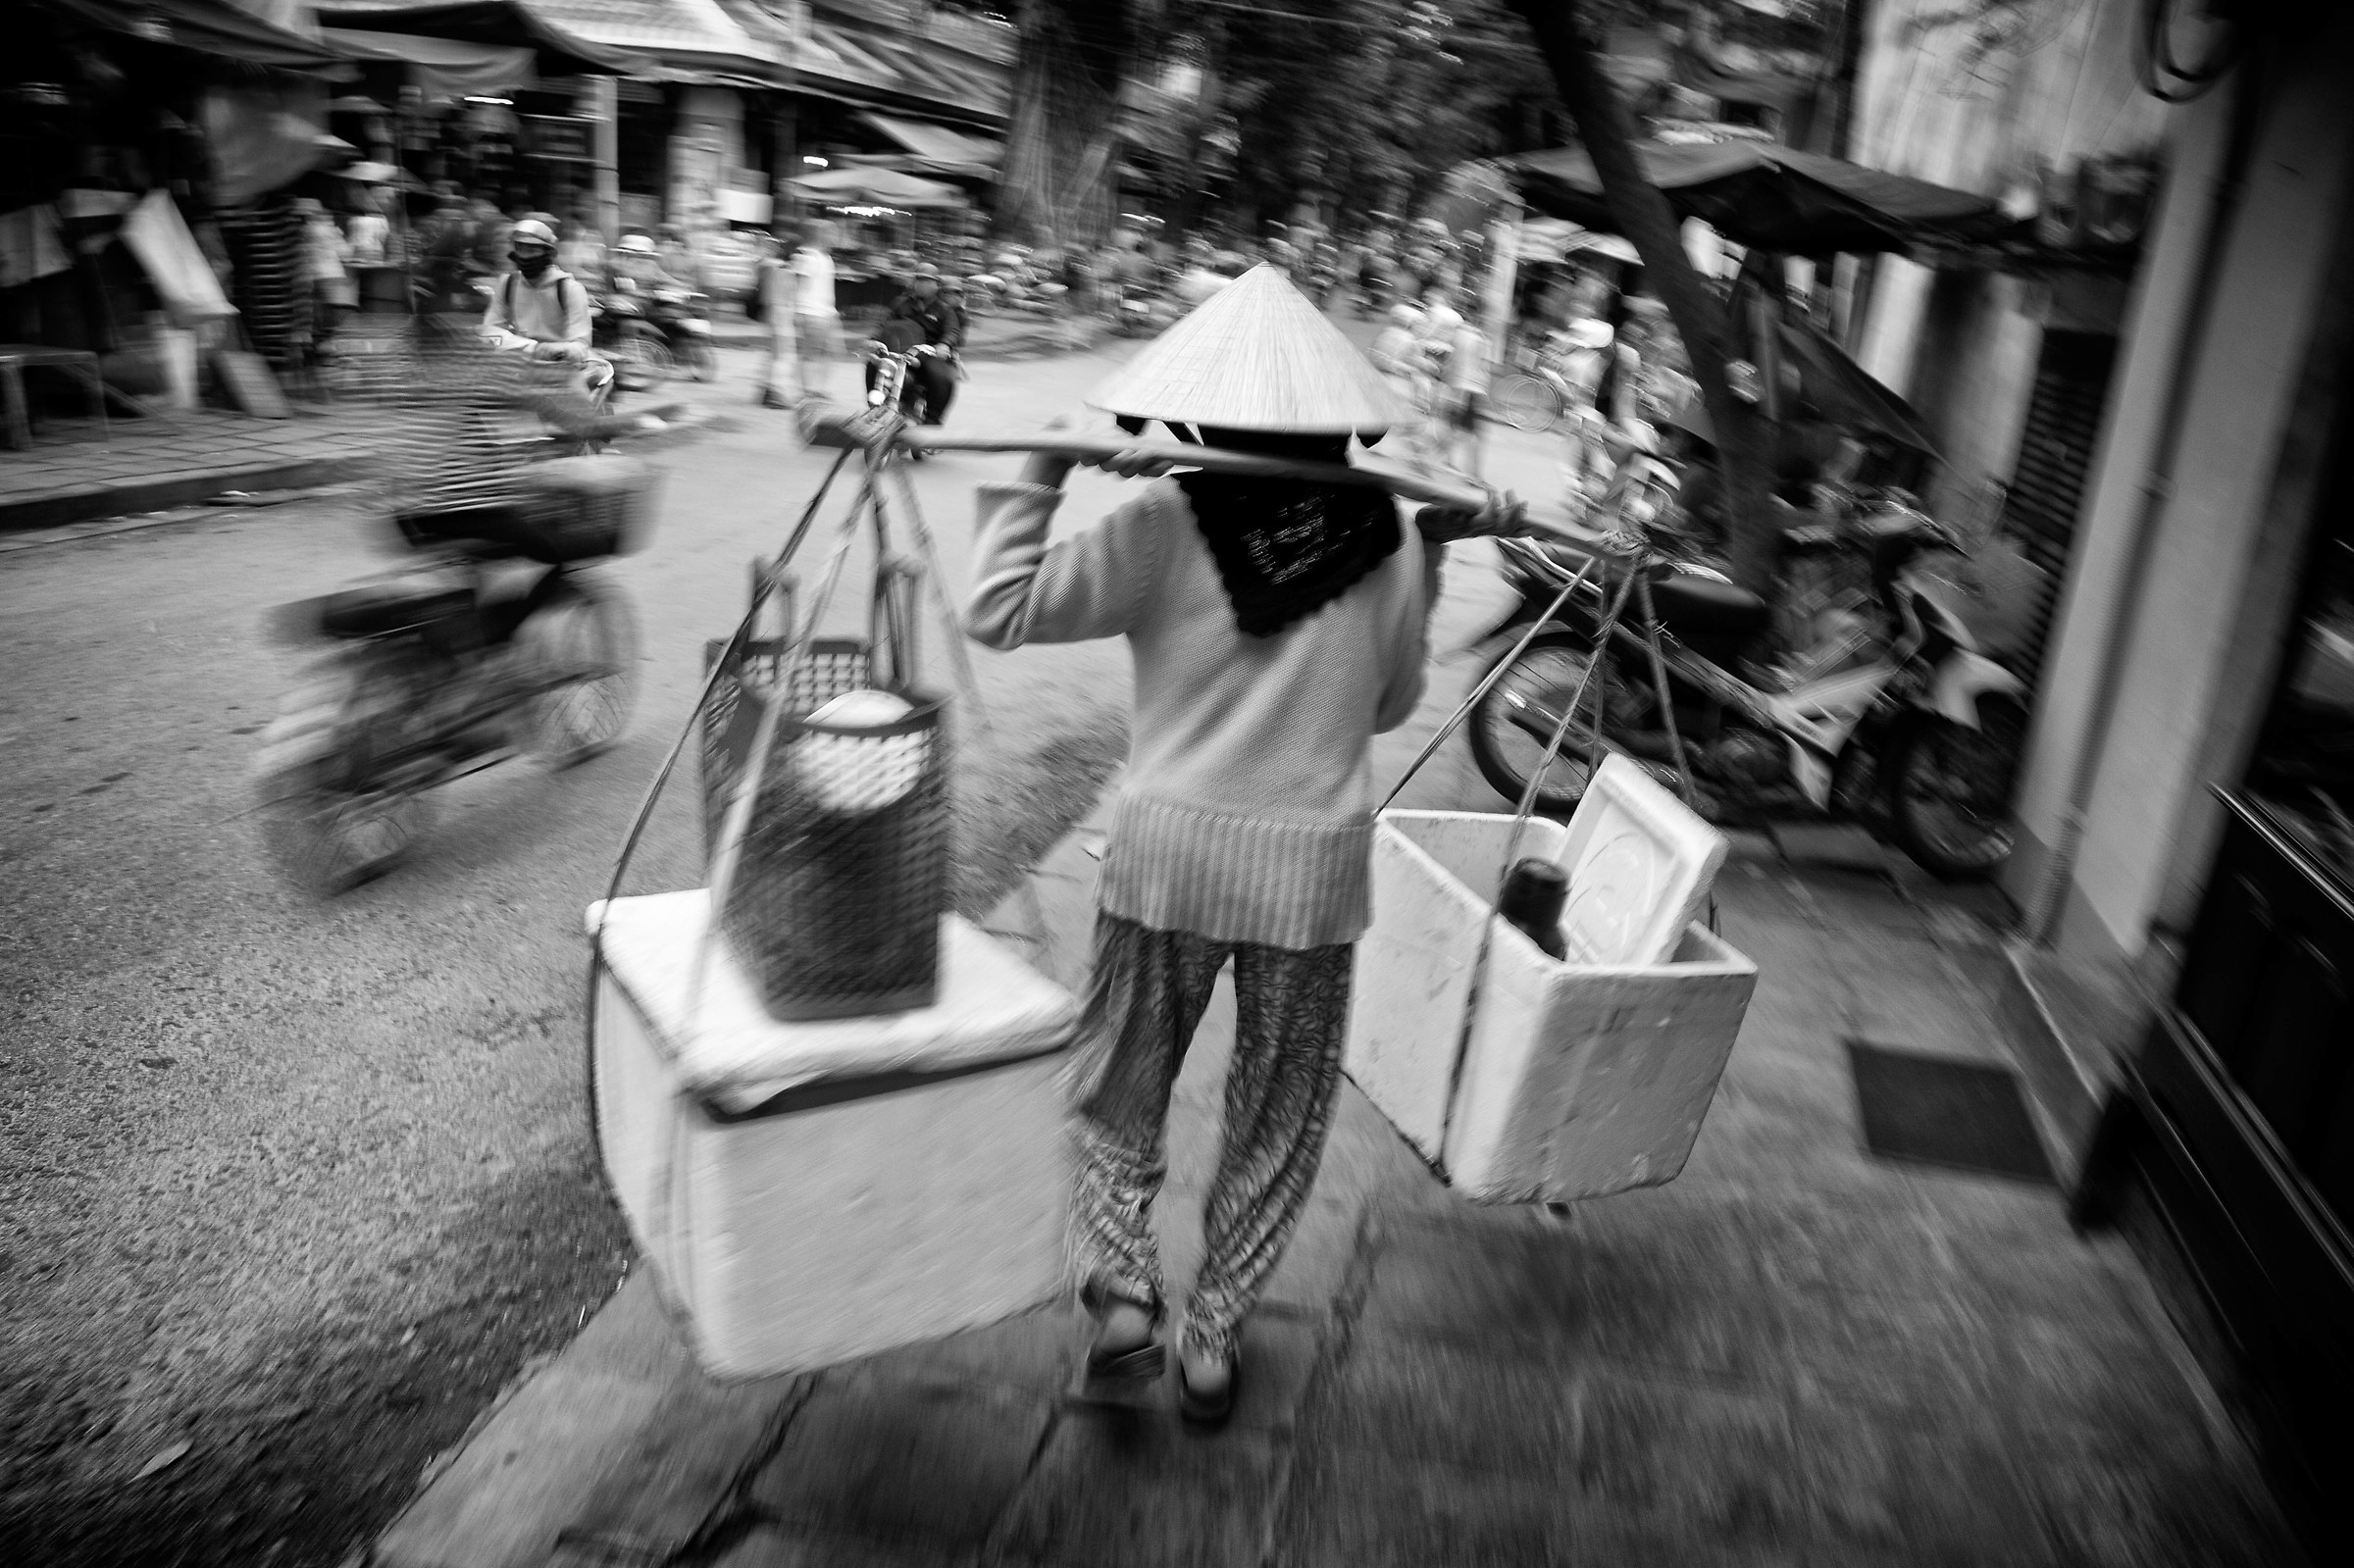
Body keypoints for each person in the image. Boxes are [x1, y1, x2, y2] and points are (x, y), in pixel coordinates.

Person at [962, 264, 1510, 1425]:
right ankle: (1212, 1338)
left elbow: (997, 609)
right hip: (1309, 877)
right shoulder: (1389, 538)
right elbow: (1383, 704)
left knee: (1118, 1086)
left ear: (1201, 417)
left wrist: (1040, 468)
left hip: (1168, 861)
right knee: (1278, 1111)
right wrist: (1440, 554)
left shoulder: (1165, 523)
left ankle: (1122, 1290)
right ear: (1347, 425)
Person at [481, 218, 610, 398]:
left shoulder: (570, 289)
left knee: (577, 414)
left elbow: (580, 345)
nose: (525, 256)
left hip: (561, 367)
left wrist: (557, 350)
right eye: (520, 248)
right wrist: (533, 348)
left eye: (532, 249)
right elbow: (490, 332)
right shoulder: (507, 283)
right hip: (521, 363)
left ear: (547, 253)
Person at [869, 264, 963, 425]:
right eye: (919, 279)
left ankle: (933, 420)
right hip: (898, 351)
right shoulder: (900, 303)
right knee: (873, 364)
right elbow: (884, 324)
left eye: (927, 280)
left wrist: (944, 345)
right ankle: (874, 406)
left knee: (942, 377)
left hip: (928, 353)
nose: (922, 284)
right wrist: (873, 340)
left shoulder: (944, 309)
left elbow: (952, 331)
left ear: (936, 285)